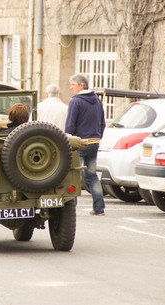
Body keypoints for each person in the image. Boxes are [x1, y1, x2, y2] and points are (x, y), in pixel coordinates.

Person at [65, 74, 106, 216]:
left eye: (73, 84)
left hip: (79, 143)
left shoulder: (75, 101)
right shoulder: (97, 100)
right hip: (94, 142)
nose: (71, 87)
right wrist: (98, 137)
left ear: (81, 85)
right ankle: (99, 208)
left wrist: (68, 140)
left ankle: (71, 208)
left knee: (74, 175)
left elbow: (70, 124)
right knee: (92, 175)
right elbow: (102, 123)